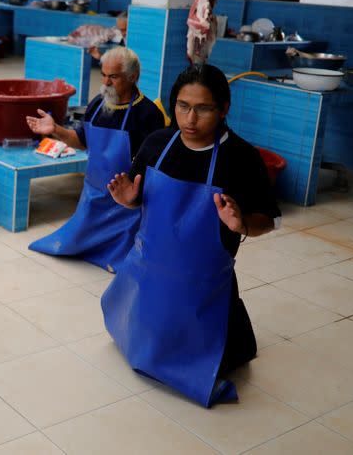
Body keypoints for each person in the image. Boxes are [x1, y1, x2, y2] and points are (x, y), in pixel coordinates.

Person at [102, 63, 281, 407]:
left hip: (202, 284)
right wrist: (128, 200)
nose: (190, 119)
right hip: (147, 275)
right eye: (183, 106)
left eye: (203, 108)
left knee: (212, 357)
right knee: (137, 340)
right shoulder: (157, 144)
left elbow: (269, 219)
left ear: (224, 108)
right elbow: (138, 197)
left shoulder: (242, 158)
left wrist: (241, 224)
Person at [25, 47, 165, 272]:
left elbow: (154, 168)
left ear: (133, 77)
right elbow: (81, 141)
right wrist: (55, 129)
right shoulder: (98, 105)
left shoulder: (148, 115)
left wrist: (134, 195)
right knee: (67, 245)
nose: (106, 82)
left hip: (126, 204)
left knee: (126, 260)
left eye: (114, 76)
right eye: (104, 75)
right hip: (93, 196)